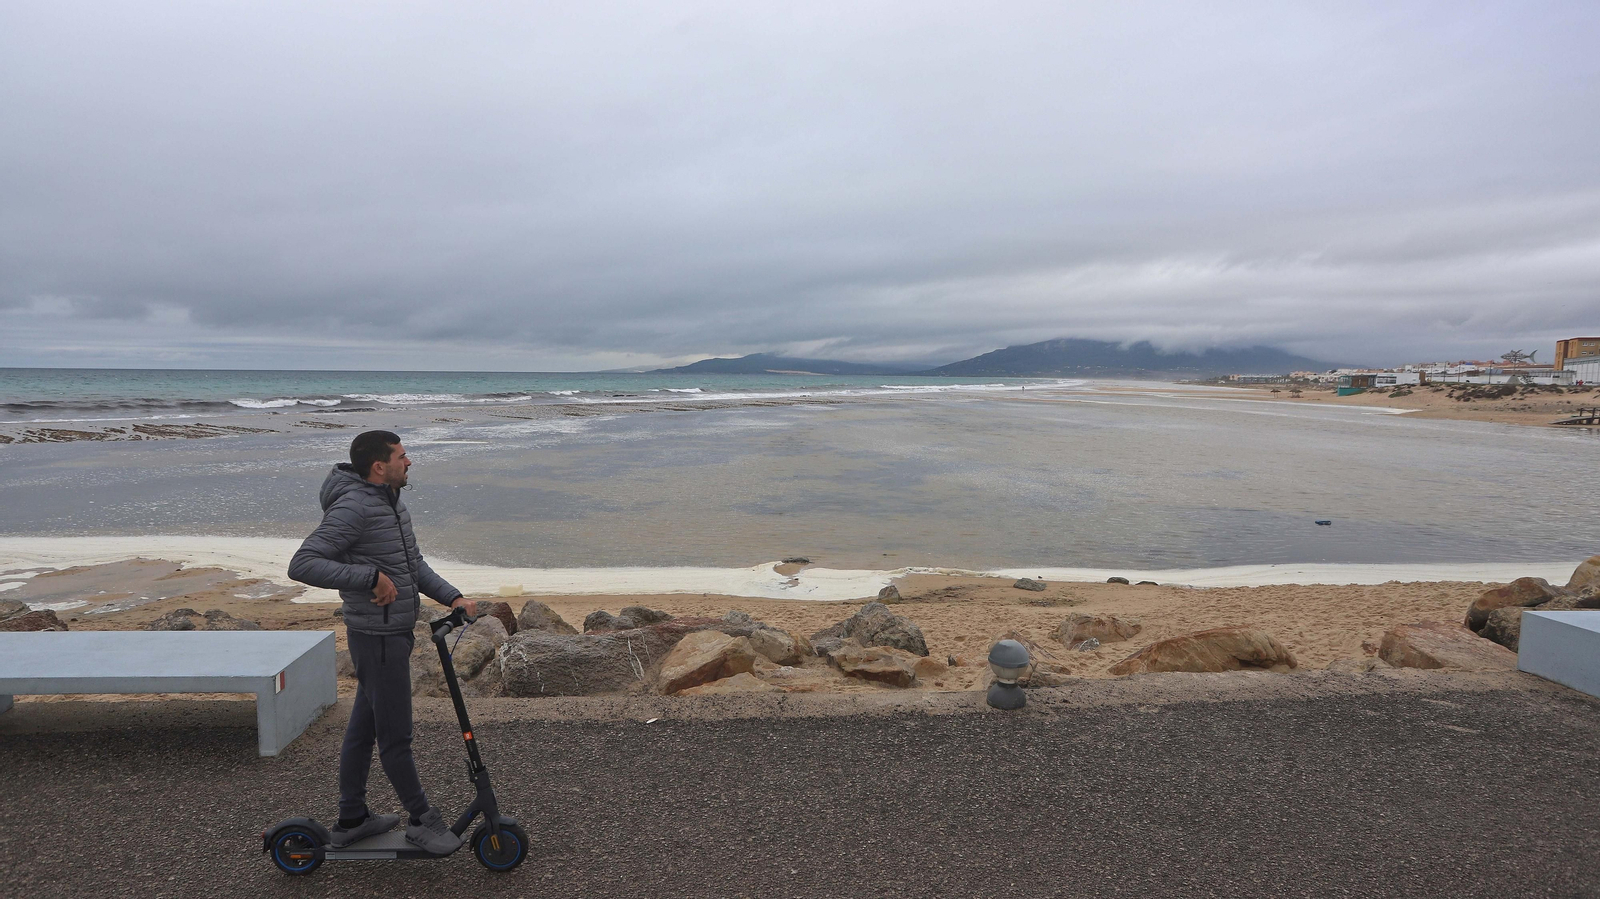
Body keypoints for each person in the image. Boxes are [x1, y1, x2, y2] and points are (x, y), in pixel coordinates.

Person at [288, 430, 476, 853]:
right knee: (396, 738)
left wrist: (453, 597)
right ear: (379, 466)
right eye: (403, 457)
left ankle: (351, 818)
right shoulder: (354, 507)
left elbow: (413, 565)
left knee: (363, 729)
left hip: (392, 634)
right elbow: (302, 564)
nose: (409, 463)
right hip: (377, 637)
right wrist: (369, 577)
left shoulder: (391, 503)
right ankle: (422, 821)